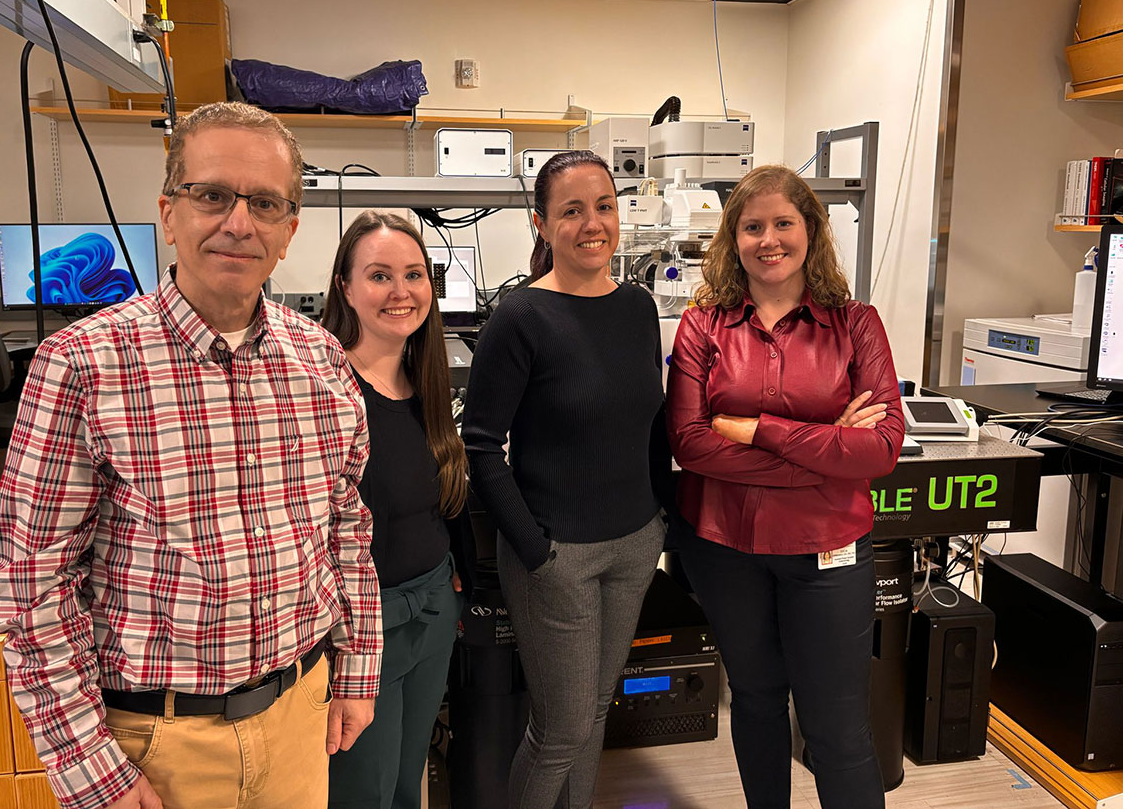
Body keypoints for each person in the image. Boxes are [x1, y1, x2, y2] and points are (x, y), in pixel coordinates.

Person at [0, 102, 382, 809]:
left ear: (289, 232)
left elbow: (346, 529)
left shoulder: (320, 358)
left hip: (299, 718)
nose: (239, 222)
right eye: (212, 196)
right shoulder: (82, 365)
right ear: (170, 213)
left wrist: (357, 670)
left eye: (264, 203)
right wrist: (92, 768)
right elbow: (29, 586)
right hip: (155, 745)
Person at [665, 164, 904, 809]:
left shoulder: (857, 325)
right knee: (757, 701)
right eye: (752, 226)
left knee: (837, 727)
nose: (768, 239)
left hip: (828, 553)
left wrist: (755, 430)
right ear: (732, 238)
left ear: (811, 231)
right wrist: (827, 451)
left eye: (783, 224)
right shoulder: (702, 326)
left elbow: (880, 447)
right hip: (725, 547)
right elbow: (688, 442)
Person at [462, 150, 670, 809]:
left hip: (634, 544)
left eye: (603, 206)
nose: (592, 223)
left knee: (594, 720)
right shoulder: (521, 317)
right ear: (542, 225)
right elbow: (481, 444)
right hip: (557, 556)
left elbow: (651, 424)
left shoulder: (637, 308)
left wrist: (660, 519)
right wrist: (535, 551)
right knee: (559, 732)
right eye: (572, 210)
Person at [321, 211, 474, 809]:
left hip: (433, 607)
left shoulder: (424, 379)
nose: (400, 292)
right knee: (364, 792)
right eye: (380, 275)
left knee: (410, 781)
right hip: (362, 626)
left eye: (414, 275)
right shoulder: (325, 386)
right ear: (346, 288)